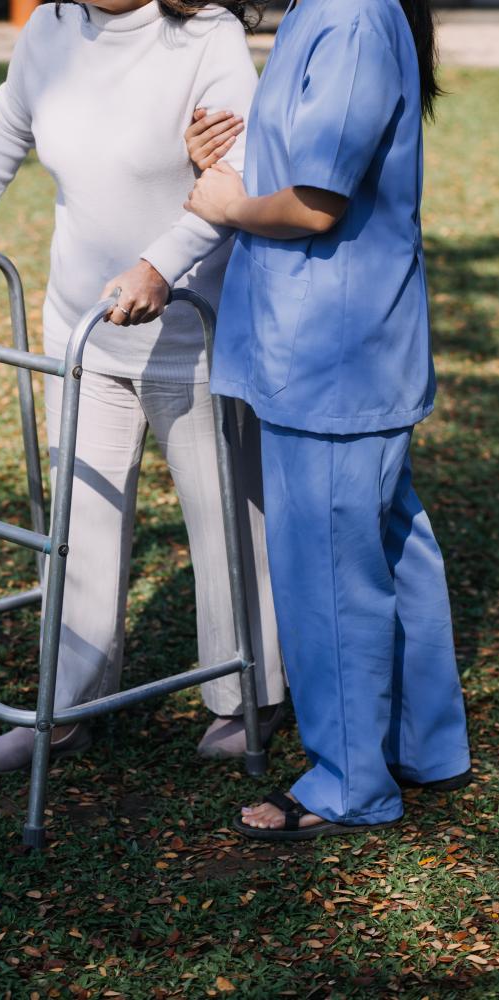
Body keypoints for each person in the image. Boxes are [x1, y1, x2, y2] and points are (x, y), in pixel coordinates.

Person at [0, 0, 287, 774]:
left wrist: (159, 264)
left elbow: (239, 168)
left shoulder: (204, 34)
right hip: (80, 323)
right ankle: (65, 705)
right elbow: (5, 127)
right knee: (80, 519)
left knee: (223, 518)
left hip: (189, 327)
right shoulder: (49, 30)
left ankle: (243, 697)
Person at [185, 0, 471, 839]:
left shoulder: (347, 14)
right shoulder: (332, 8)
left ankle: (351, 784)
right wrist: (219, 164)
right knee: (389, 545)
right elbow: (297, 167)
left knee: (328, 573)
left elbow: (315, 205)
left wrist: (227, 206)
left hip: (330, 355)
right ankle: (424, 746)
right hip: (337, 345)